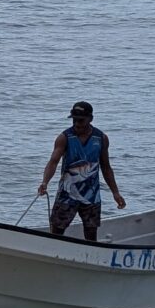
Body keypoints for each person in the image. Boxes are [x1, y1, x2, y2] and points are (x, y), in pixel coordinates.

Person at [37, 100, 125, 241]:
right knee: (56, 232)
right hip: (67, 195)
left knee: (91, 235)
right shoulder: (64, 138)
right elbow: (53, 162)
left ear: (90, 119)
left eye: (81, 120)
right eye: (74, 120)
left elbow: (106, 167)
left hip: (92, 197)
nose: (77, 124)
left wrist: (115, 192)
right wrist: (45, 182)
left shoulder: (100, 138)